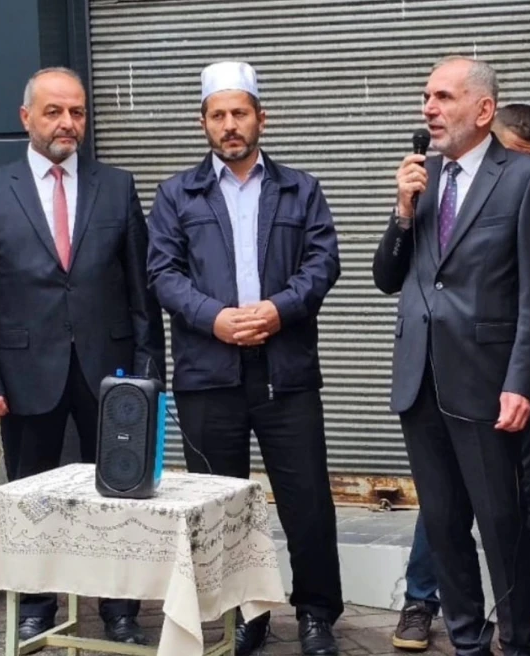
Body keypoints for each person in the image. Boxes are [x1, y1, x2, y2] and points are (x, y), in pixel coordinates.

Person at [0, 67, 166, 645]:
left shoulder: (117, 186)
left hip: (111, 373)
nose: (67, 123)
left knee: (120, 492)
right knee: (33, 494)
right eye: (54, 112)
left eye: (76, 112)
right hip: (25, 371)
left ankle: (120, 608)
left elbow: (141, 292)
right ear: (26, 118)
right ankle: (36, 604)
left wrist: (149, 374)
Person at [145, 61, 344, 656]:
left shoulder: (300, 188)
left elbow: (322, 262)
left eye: (239, 113)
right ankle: (242, 615)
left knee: (307, 499)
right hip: (208, 372)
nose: (229, 125)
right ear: (203, 122)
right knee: (219, 506)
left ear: (261, 117)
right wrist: (215, 318)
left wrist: (279, 309)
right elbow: (163, 273)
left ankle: (316, 614)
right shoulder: (176, 194)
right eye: (218, 115)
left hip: (286, 370)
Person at [372, 56, 530, 656]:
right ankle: (468, 641)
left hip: (487, 382)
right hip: (421, 379)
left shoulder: (525, 178)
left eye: (444, 97)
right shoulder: (421, 176)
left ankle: (520, 642)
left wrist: (520, 382)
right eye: (426, 96)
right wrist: (402, 212)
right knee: (443, 525)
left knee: (502, 524)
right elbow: (386, 277)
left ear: (483, 110)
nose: (429, 108)